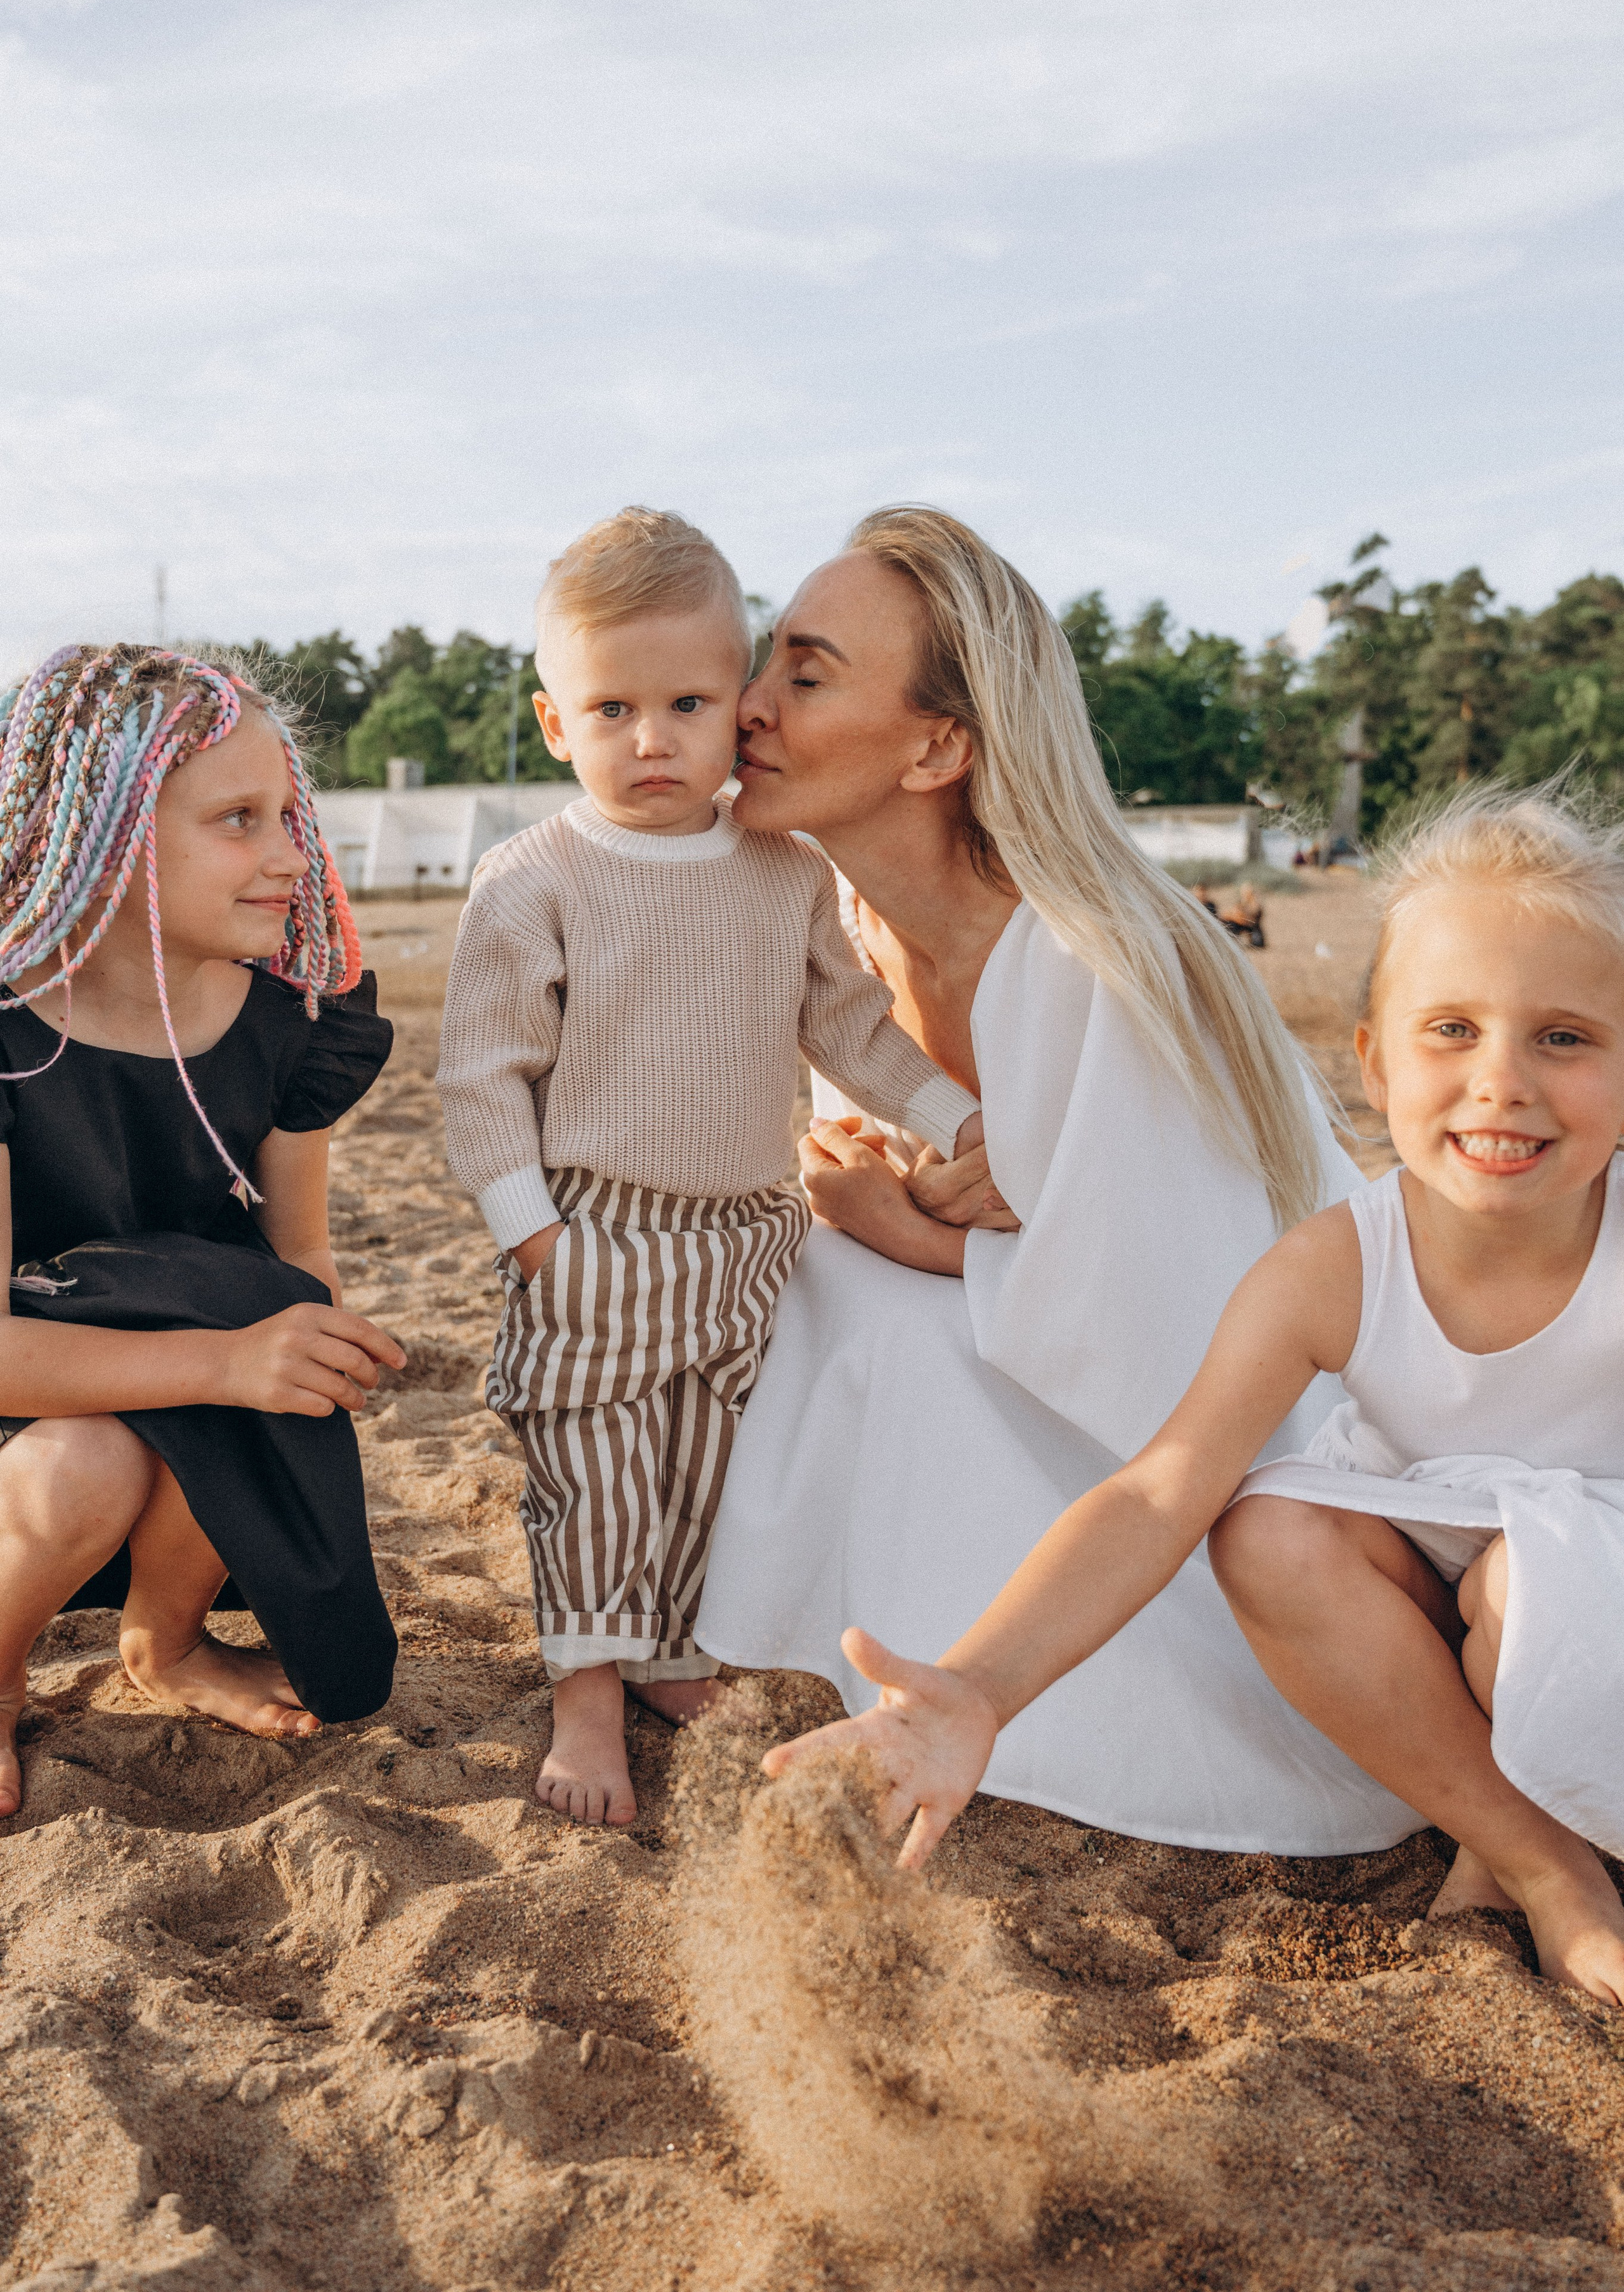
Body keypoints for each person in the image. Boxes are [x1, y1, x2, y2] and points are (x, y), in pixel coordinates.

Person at [764, 784, 1624, 2005]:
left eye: (1565, 1038)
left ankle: (1517, 1841)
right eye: (1450, 1031)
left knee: (1517, 1579)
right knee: (1267, 1531)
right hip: (1432, 1615)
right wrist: (982, 1690)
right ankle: (1544, 1863)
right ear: (1374, 1064)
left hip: (1593, 1600)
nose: (1502, 1084)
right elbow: (1160, 1492)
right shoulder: (1339, 1262)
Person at [697, 504, 1419, 1855]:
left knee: (863, 1286)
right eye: (763, 662)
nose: (747, 705)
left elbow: (1173, 1331)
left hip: (1243, 1459)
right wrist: (890, 1210)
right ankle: (857, 1646)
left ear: (936, 746)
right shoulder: (837, 930)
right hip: (1075, 1387)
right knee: (815, 1278)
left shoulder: (1093, 964)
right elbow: (892, 1188)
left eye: (805, 672)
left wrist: (893, 1223)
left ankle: (1018, 1690)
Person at [435, 509, 977, 1830]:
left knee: (700, 1457)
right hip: (593, 1225)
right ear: (557, 724)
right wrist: (534, 1236)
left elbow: (846, 1027)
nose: (651, 737)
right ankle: (585, 1692)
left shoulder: (778, 868)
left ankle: (671, 1651)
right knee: (595, 1464)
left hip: (744, 1225)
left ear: (734, 700)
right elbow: (482, 1075)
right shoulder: (531, 881)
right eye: (610, 708)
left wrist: (956, 1115)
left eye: (685, 701)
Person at [0, 645, 404, 1819]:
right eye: (241, 820)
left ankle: (164, 1640)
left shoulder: (294, 1024)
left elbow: (299, 1260)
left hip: (189, 1380)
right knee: (94, 1458)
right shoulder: (11, 1038)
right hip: (33, 1411)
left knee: (275, 1346)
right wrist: (231, 1361)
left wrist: (301, 1350)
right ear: (111, 842)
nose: (290, 855)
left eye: (288, 815)